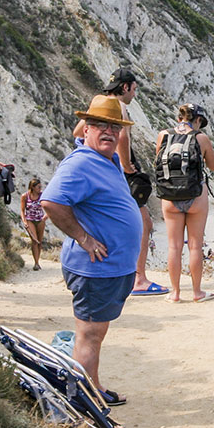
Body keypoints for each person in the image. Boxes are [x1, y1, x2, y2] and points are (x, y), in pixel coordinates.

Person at [42, 95, 142, 407]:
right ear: (86, 128)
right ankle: (83, 403)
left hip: (110, 269)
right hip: (94, 268)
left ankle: (93, 387)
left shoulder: (104, 156)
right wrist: (84, 239)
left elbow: (86, 136)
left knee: (96, 334)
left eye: (114, 126)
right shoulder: (81, 163)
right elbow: (51, 202)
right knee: (89, 335)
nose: (108, 131)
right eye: (99, 125)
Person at [73, 68, 165, 296]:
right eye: (134, 90)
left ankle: (121, 272)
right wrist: (125, 165)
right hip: (119, 170)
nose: (134, 95)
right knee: (143, 223)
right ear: (125, 87)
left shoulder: (99, 103)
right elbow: (123, 136)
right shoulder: (119, 106)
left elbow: (78, 132)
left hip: (99, 167)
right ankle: (138, 279)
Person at [153, 104, 214, 303]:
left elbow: (157, 160)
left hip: (170, 196)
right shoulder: (201, 138)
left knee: (174, 247)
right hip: (195, 196)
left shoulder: (163, 134)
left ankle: (175, 293)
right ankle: (197, 292)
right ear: (197, 120)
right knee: (195, 246)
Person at [20, 178, 47, 271]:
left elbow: (49, 206)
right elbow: (22, 210)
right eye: (38, 187)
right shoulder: (25, 196)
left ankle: (38, 261)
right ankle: (36, 263)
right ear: (33, 187)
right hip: (30, 220)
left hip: (40, 220)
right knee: (34, 241)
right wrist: (24, 221)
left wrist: (46, 216)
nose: (40, 188)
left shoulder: (43, 195)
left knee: (39, 241)